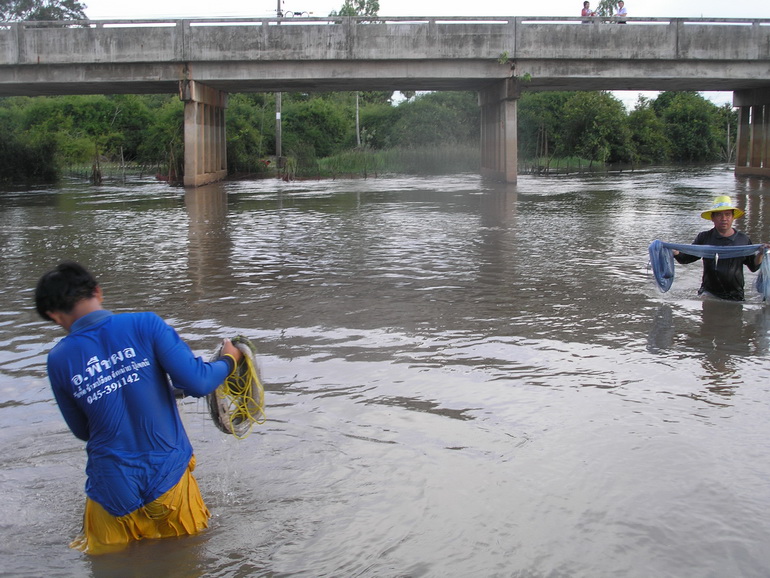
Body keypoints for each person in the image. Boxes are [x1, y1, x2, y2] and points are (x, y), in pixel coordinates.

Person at [34, 261, 243, 555]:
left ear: (54, 316)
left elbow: (84, 430)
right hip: (168, 481)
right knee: (187, 561)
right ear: (98, 291)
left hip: (110, 490)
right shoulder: (145, 324)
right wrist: (229, 360)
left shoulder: (59, 359)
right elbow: (198, 382)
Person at [673, 195, 764, 301]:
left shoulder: (743, 240)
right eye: (719, 215)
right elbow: (686, 258)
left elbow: (753, 266)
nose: (724, 218)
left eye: (727, 214)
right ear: (712, 218)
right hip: (709, 292)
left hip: (736, 295)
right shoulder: (704, 237)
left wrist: (761, 253)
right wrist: (674, 251)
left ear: (733, 217)